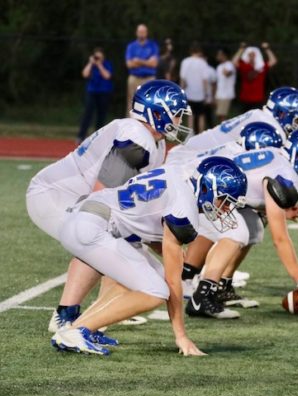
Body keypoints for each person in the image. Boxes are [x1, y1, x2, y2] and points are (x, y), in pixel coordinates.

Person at [30, 80, 192, 334]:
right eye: (176, 113)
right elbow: (103, 193)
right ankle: (65, 316)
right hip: (56, 196)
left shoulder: (151, 140)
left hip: (73, 196)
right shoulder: (137, 138)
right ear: (157, 112)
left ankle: (103, 308)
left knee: (120, 241)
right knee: (100, 234)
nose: (180, 119)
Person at [50, 156, 247, 356]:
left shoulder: (179, 174)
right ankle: (76, 333)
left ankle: (79, 328)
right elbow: (173, 281)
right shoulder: (185, 208)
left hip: (92, 217)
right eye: (224, 201)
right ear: (207, 188)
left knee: (141, 280)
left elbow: (147, 216)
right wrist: (181, 335)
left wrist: (169, 250)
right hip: (95, 225)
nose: (225, 210)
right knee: (156, 291)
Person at [167, 127, 298, 319]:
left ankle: (222, 285)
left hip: (206, 188)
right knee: (237, 231)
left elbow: (251, 194)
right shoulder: (285, 173)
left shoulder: (278, 157)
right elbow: (280, 239)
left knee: (254, 227)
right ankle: (202, 296)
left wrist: (281, 211)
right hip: (196, 190)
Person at [181, 86, 298, 153]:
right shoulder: (270, 130)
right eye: (297, 120)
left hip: (195, 147)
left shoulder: (258, 113)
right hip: (196, 159)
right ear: (283, 114)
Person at [76, 47, 113, 144]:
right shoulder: (91, 65)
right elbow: (84, 74)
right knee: (87, 113)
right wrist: (90, 63)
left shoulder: (106, 64)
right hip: (92, 91)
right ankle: (81, 136)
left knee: (101, 115)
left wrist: (100, 65)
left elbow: (107, 76)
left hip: (104, 91)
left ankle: (98, 137)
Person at [232, 42, 277, 112]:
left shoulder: (261, 67)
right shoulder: (244, 66)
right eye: (249, 55)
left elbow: (273, 61)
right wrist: (241, 49)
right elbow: (234, 62)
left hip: (258, 99)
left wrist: (267, 49)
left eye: (253, 55)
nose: (251, 57)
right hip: (245, 99)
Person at [125, 24, 159, 115]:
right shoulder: (131, 46)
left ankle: (147, 127)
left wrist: (138, 61)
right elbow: (129, 64)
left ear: (146, 33)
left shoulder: (153, 45)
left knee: (149, 103)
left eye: (143, 32)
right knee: (132, 103)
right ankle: (130, 127)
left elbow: (154, 64)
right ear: (136, 33)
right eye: (140, 32)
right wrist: (147, 62)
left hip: (149, 79)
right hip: (134, 78)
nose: (141, 34)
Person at [180, 42, 211, 134]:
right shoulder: (203, 63)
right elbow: (205, 80)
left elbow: (183, 79)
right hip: (200, 94)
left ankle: (190, 134)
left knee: (190, 115)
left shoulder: (185, 62)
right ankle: (201, 133)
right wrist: (206, 94)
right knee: (201, 115)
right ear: (200, 51)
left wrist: (181, 91)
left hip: (189, 93)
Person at [214, 48, 236, 122]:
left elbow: (227, 74)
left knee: (222, 115)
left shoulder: (229, 65)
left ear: (224, 55)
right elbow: (218, 81)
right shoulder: (219, 67)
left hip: (226, 94)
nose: (217, 56)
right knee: (219, 115)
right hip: (219, 94)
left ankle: (226, 131)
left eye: (219, 54)